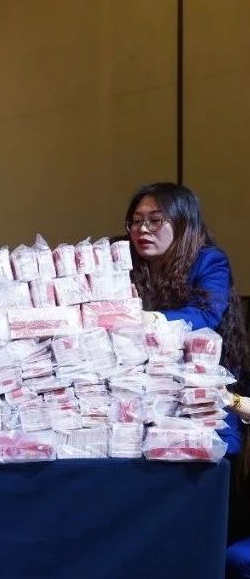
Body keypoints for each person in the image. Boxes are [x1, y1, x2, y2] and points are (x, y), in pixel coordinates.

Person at [122, 182, 249, 578]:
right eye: (136, 221)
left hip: (202, 393)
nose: (143, 230)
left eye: (155, 220)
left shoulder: (208, 260)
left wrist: (150, 319)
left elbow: (205, 314)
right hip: (141, 395)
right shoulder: (122, 258)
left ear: (183, 223)